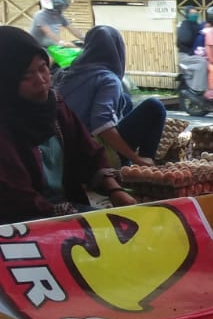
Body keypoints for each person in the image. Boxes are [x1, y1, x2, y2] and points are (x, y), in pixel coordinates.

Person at [0, 27, 135, 224]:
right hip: (20, 224)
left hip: (65, 210)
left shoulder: (55, 105)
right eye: (26, 77)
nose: (41, 81)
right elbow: (17, 196)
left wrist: (115, 190)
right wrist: (73, 216)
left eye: (43, 68)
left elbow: (88, 153)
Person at [54, 25, 166, 168]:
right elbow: (101, 124)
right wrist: (136, 159)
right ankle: (145, 167)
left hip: (65, 147)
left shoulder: (67, 73)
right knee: (154, 107)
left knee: (124, 100)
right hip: (91, 152)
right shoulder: (108, 79)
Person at [176, 5, 209, 94]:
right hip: (186, 55)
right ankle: (196, 88)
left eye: (195, 13)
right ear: (187, 15)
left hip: (195, 54)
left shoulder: (198, 26)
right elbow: (185, 40)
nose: (194, 15)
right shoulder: (184, 25)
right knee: (202, 62)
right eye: (192, 13)